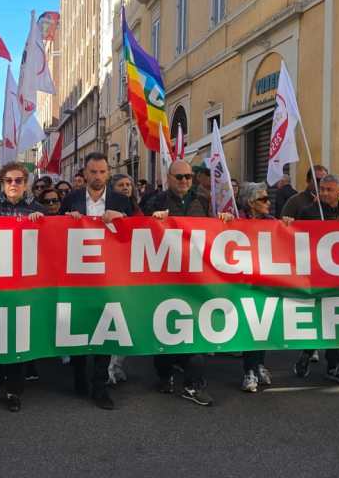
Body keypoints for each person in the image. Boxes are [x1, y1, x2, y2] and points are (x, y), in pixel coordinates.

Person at [142, 159, 234, 406]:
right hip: (164, 279)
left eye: (188, 177)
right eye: (179, 177)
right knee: (163, 331)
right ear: (168, 178)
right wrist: (153, 221)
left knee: (195, 332)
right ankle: (164, 375)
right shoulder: (155, 201)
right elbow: (136, 232)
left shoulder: (202, 200)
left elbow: (215, 231)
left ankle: (194, 385)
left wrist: (222, 220)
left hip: (196, 279)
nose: (184, 181)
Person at [60, 152, 134, 410]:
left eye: (103, 172)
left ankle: (100, 387)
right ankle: (79, 379)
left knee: (105, 331)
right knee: (79, 329)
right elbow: (56, 235)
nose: (98, 177)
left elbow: (139, 234)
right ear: (84, 173)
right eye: (93, 172)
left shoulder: (121, 201)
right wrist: (66, 222)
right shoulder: (71, 199)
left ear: (108, 172)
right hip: (78, 276)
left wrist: (123, 221)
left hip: (109, 277)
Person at [0, 162, 44, 412]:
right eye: (8, 181)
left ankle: (14, 390)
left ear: (25, 183)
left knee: (18, 339)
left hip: (25, 286)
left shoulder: (37, 210)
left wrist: (42, 223)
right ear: (2, 183)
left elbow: (51, 245)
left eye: (18, 180)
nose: (13, 185)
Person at [291, 175, 339, 385]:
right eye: (321, 189)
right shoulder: (308, 212)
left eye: (328, 190)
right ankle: (306, 353)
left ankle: (334, 366)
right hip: (316, 275)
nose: (323, 193)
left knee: (338, 320)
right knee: (318, 320)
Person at [236, 182, 274, 393]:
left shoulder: (272, 222)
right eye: (263, 199)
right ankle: (248, 371)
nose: (268, 202)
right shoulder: (237, 220)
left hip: (266, 282)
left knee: (264, 324)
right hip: (244, 283)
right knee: (251, 325)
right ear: (251, 203)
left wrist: (288, 225)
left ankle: (259, 364)